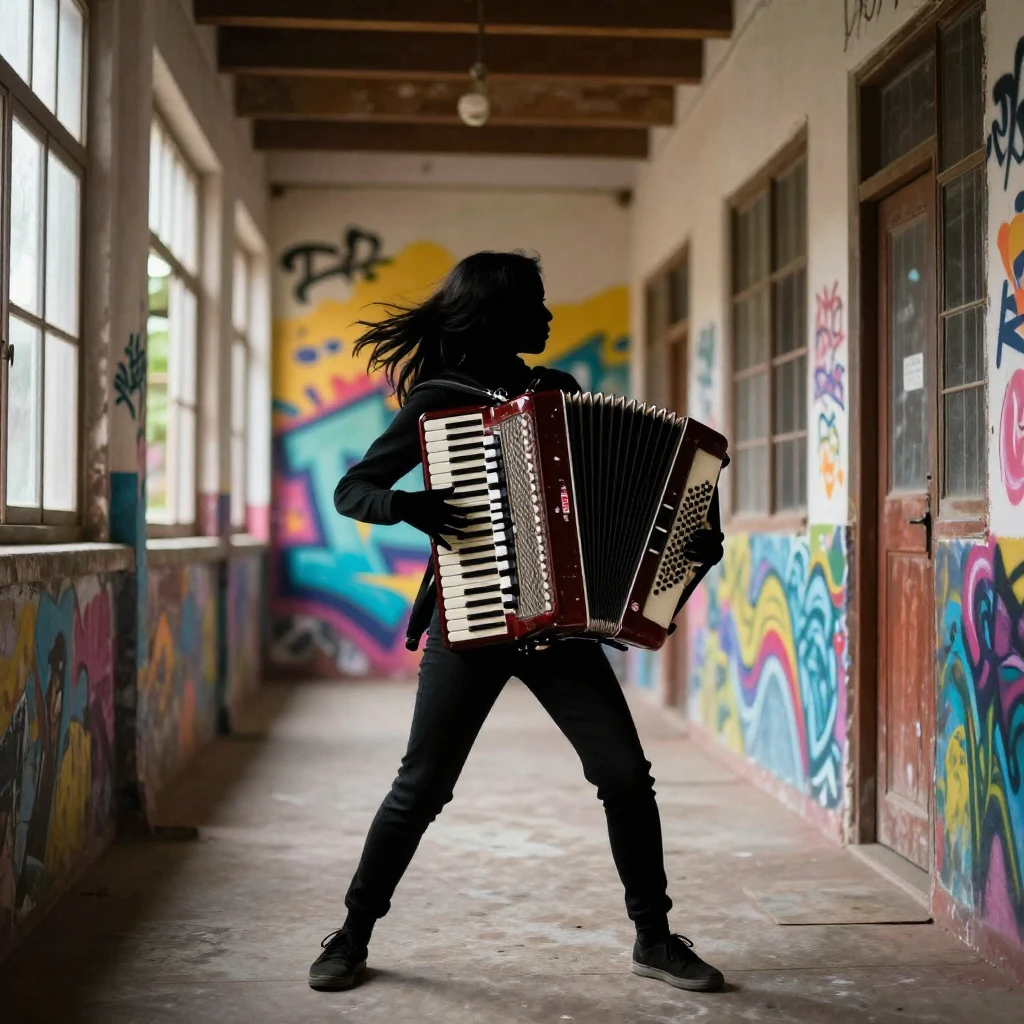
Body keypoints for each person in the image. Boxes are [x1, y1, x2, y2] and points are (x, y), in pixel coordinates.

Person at [309, 251, 726, 994]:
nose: (548, 316)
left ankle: (655, 939)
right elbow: (354, 488)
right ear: (497, 314)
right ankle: (353, 931)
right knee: (422, 785)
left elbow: (604, 506)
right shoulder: (437, 403)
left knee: (626, 775)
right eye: (535, 303)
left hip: (557, 628)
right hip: (472, 620)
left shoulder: (557, 392)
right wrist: (406, 506)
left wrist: (689, 543)